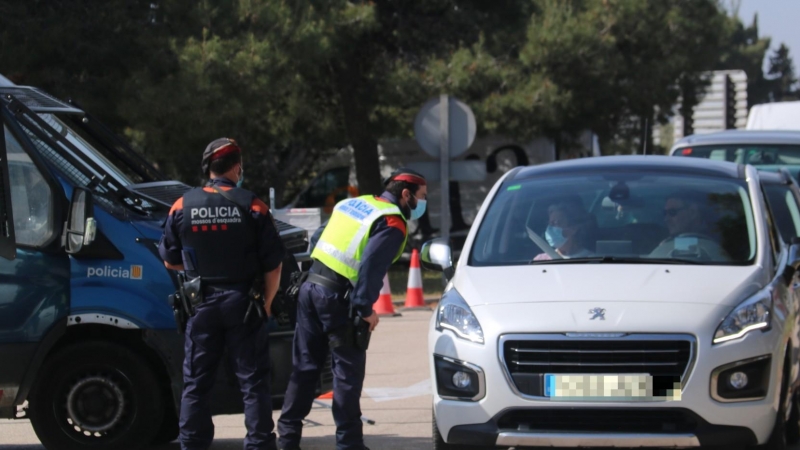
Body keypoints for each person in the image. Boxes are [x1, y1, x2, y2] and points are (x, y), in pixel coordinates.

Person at [277, 168, 428, 450]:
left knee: (305, 368)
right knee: (346, 374)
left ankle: (287, 439)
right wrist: (364, 309)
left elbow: (317, 239)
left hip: (310, 288)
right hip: (338, 299)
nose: (422, 204)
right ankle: (349, 445)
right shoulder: (392, 223)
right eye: (422, 197)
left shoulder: (352, 204)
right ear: (406, 194)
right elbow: (371, 267)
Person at [158, 138, 285, 450]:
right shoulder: (253, 205)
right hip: (243, 303)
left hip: (200, 303)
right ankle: (258, 444)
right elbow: (274, 264)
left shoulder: (181, 206)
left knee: (196, 383)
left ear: (207, 168)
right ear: (236, 166)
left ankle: (192, 444)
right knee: (253, 383)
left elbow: (169, 259)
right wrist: (267, 304)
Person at [649, 190, 729, 260]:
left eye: (672, 212)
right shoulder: (654, 242)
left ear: (692, 212)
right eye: (665, 213)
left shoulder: (724, 241)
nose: (666, 219)